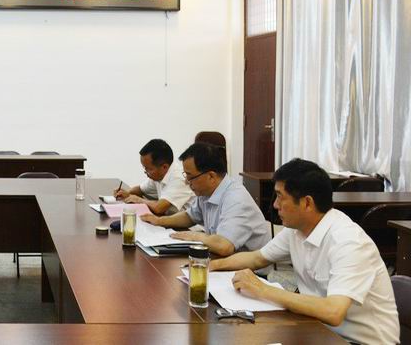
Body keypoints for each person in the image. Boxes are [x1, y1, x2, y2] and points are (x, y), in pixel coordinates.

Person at [210, 159, 399, 345]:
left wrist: (262, 289)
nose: (275, 205)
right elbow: (257, 258)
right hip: (319, 331)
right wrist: (210, 266)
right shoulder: (297, 230)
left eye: (280, 197)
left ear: (307, 203)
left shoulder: (348, 242)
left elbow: (333, 312)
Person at [142, 142, 270, 256]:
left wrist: (195, 236)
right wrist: (160, 221)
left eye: (190, 177)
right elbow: (189, 216)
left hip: (250, 270)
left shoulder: (236, 199)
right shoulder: (206, 192)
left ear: (211, 176)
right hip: (222, 258)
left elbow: (224, 246)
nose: (186, 182)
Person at [113, 139, 193, 215]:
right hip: (169, 219)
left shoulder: (179, 178)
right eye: (144, 168)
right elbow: (140, 189)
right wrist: (126, 193)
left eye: (149, 169)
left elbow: (159, 208)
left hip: (187, 224)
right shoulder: (159, 175)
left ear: (164, 167)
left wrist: (138, 200)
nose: (145, 172)